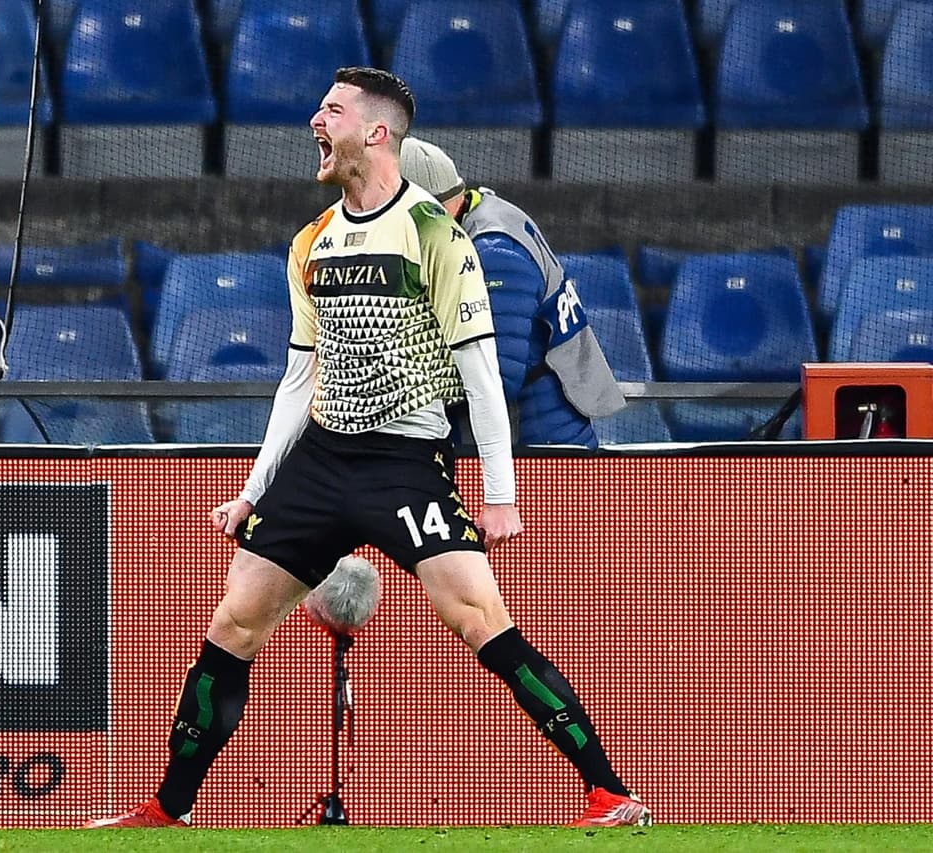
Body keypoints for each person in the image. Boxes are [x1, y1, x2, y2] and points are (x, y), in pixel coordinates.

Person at [86, 67, 649, 830]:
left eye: (331, 109)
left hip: (405, 466)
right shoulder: (311, 240)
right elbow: (297, 377)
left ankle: (610, 792)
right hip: (319, 461)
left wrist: (501, 495)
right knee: (233, 623)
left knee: (482, 618)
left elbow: (485, 377)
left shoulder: (436, 235)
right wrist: (255, 489)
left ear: (376, 133)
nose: (315, 120)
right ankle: (168, 808)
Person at [399, 137, 625, 449]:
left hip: (539, 446)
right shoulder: (482, 212)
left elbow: (497, 376)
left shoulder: (495, 254)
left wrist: (395, 386)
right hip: (518, 435)